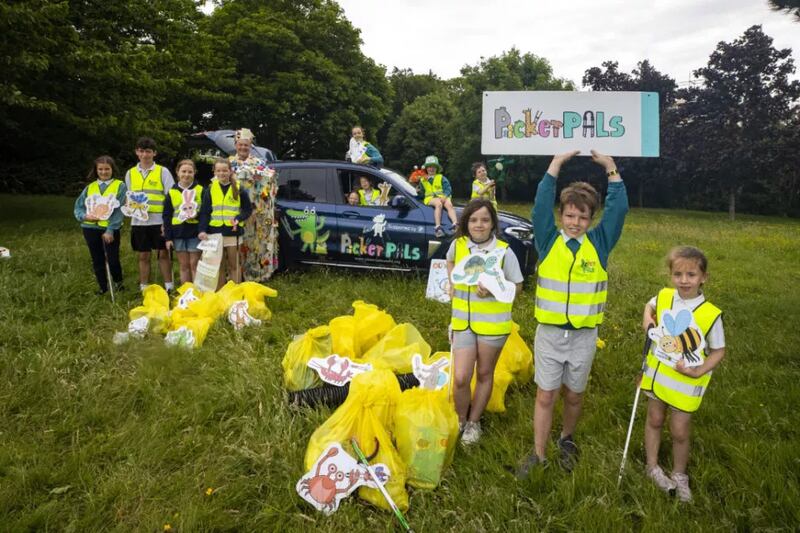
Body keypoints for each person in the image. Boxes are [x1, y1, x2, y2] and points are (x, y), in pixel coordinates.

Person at [517, 149, 628, 476]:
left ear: (590, 219)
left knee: (575, 395)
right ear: (561, 215)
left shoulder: (600, 243)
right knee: (546, 394)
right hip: (550, 334)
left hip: (583, 336)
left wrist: (611, 168)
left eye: (582, 217)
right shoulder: (548, 239)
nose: (575, 222)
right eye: (569, 215)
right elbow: (540, 204)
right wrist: (555, 164)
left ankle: (567, 439)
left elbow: (618, 210)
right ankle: (538, 453)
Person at [639, 246, 725, 503]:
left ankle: (679, 474)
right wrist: (647, 320)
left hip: (686, 383)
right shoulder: (664, 296)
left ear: (703, 277)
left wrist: (698, 370)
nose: (684, 280)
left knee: (679, 431)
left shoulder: (710, 314)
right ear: (671, 275)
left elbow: (719, 351)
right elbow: (649, 306)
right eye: (678, 274)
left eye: (691, 274)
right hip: (658, 376)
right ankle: (652, 466)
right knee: (654, 419)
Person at [447, 199, 524, 444]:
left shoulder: (503, 251)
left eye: (484, 220)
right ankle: (460, 419)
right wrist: (451, 281)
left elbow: (518, 285)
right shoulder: (458, 245)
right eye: (473, 220)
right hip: (463, 322)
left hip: (493, 325)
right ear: (466, 223)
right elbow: (450, 262)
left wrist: (493, 289)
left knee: (483, 373)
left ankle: (473, 423)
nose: (479, 225)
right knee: (460, 377)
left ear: (492, 223)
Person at [124, 137, 175, 292]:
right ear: (136, 152)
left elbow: (171, 197)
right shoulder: (130, 173)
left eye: (148, 151)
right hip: (139, 222)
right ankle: (144, 288)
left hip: (158, 221)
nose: (145, 155)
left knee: (163, 254)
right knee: (143, 256)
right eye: (141, 151)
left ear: (154, 153)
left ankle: (169, 287)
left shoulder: (162, 171)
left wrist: (167, 222)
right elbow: (129, 196)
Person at [229, 128, 278, 281]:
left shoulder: (259, 163)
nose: (243, 148)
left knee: (255, 243)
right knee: (236, 242)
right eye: (240, 145)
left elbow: (270, 183)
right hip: (235, 210)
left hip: (257, 212)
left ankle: (256, 274)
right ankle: (235, 274)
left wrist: (262, 181)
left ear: (250, 146)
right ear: (236, 145)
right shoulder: (228, 163)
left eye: (246, 145)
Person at [74, 155, 127, 295]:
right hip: (90, 228)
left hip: (109, 229)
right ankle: (103, 288)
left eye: (107, 169)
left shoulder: (120, 186)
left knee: (112, 258)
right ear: (96, 170)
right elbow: (78, 207)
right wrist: (84, 216)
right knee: (97, 259)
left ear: (112, 169)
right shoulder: (90, 187)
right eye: (101, 169)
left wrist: (110, 230)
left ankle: (118, 284)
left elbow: (118, 211)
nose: (104, 172)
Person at [198, 159, 252, 289]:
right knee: (219, 266)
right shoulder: (210, 189)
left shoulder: (239, 189)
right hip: (214, 234)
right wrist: (202, 230)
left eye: (225, 170)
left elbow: (247, 210)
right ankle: (221, 294)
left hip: (232, 233)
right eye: (218, 170)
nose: (222, 173)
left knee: (234, 265)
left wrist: (239, 218)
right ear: (214, 172)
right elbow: (205, 212)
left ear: (230, 171)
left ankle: (235, 293)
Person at [163, 159, 203, 284]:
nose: (186, 174)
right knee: (184, 265)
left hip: (195, 233)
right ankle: (186, 293)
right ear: (177, 172)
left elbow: (206, 212)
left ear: (195, 173)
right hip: (178, 233)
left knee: (194, 264)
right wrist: (168, 238)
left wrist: (196, 215)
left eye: (190, 172)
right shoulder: (172, 191)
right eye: (183, 171)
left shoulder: (201, 190)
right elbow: (167, 215)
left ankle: (198, 293)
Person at [417, 155, 458, 238]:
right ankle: (438, 228)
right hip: (430, 198)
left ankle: (455, 224)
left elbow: (448, 188)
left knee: (449, 205)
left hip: (443, 196)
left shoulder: (441, 178)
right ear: (426, 168)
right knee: (438, 204)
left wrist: (445, 196)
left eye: (433, 167)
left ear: (436, 168)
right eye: (429, 167)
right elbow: (422, 194)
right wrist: (418, 192)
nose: (431, 169)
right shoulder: (422, 180)